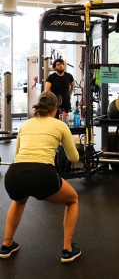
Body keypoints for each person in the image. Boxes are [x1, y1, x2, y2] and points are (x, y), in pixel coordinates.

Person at [0, 91, 81, 263]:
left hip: (14, 174)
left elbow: (18, 155)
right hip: (42, 174)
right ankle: (67, 249)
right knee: (73, 199)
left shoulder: (25, 125)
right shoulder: (60, 125)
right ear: (56, 108)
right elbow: (74, 158)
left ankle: (6, 245)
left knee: (19, 200)